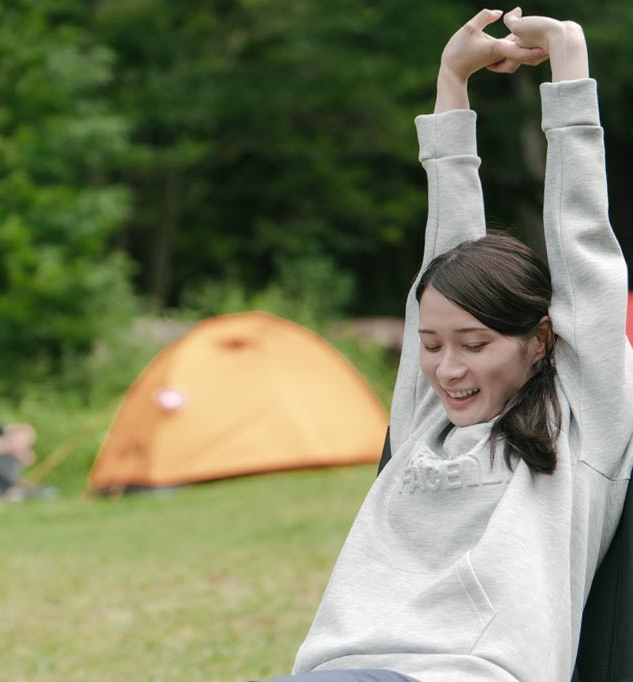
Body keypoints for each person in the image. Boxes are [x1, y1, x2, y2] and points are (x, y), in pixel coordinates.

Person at [264, 8, 632, 682]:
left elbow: (586, 253)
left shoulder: (578, 432)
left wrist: (570, 68)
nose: (447, 368)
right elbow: (446, 249)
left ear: (541, 340)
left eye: (475, 343)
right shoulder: (422, 424)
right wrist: (450, 80)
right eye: (430, 344)